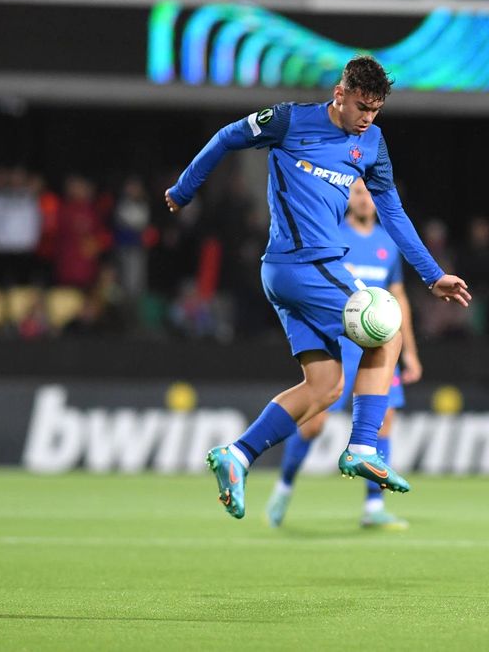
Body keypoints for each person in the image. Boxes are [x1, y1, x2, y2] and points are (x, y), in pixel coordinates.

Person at [165, 55, 470, 519]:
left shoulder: (372, 143)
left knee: (326, 386)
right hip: (303, 264)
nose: (368, 118)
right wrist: (185, 189)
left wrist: (432, 273)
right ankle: (363, 447)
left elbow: (392, 211)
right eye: (362, 107)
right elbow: (227, 136)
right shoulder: (289, 120)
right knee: (387, 330)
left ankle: (238, 455)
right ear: (339, 94)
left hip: (291, 273)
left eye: (376, 110)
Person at [266, 178, 423, 530]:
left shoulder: (388, 242)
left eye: (370, 193)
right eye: (358, 193)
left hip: (379, 346)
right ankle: (284, 486)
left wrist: (410, 352)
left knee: (384, 421)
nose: (365, 200)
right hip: (341, 345)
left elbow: (398, 298)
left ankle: (373, 505)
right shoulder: (333, 235)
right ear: (348, 197)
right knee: (313, 425)